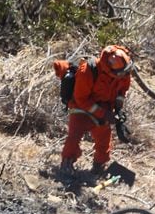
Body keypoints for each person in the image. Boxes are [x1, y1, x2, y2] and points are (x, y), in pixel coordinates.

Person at [55, 44, 134, 176]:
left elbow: (122, 91)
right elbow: (81, 99)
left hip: (104, 107)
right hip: (80, 107)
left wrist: (118, 109)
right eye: (122, 73)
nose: (125, 75)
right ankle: (66, 164)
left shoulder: (123, 72)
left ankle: (99, 167)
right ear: (111, 69)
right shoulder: (88, 70)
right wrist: (104, 114)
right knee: (74, 136)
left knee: (104, 139)